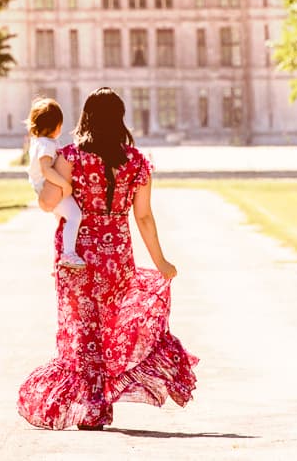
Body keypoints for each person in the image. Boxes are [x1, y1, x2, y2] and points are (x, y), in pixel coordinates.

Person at [17, 87, 198, 431]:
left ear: (85, 117)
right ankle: (100, 400)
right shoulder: (136, 161)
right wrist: (160, 262)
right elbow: (143, 216)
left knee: (84, 329)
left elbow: (46, 203)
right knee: (112, 327)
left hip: (78, 255)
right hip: (117, 252)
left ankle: (93, 406)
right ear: (120, 120)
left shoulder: (70, 157)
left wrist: (52, 182)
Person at [25, 97, 86, 268]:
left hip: (45, 187)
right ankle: (68, 254)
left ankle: (58, 260)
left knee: (62, 223)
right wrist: (65, 185)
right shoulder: (46, 144)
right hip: (49, 188)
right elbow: (46, 169)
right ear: (56, 126)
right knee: (75, 216)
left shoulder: (39, 142)